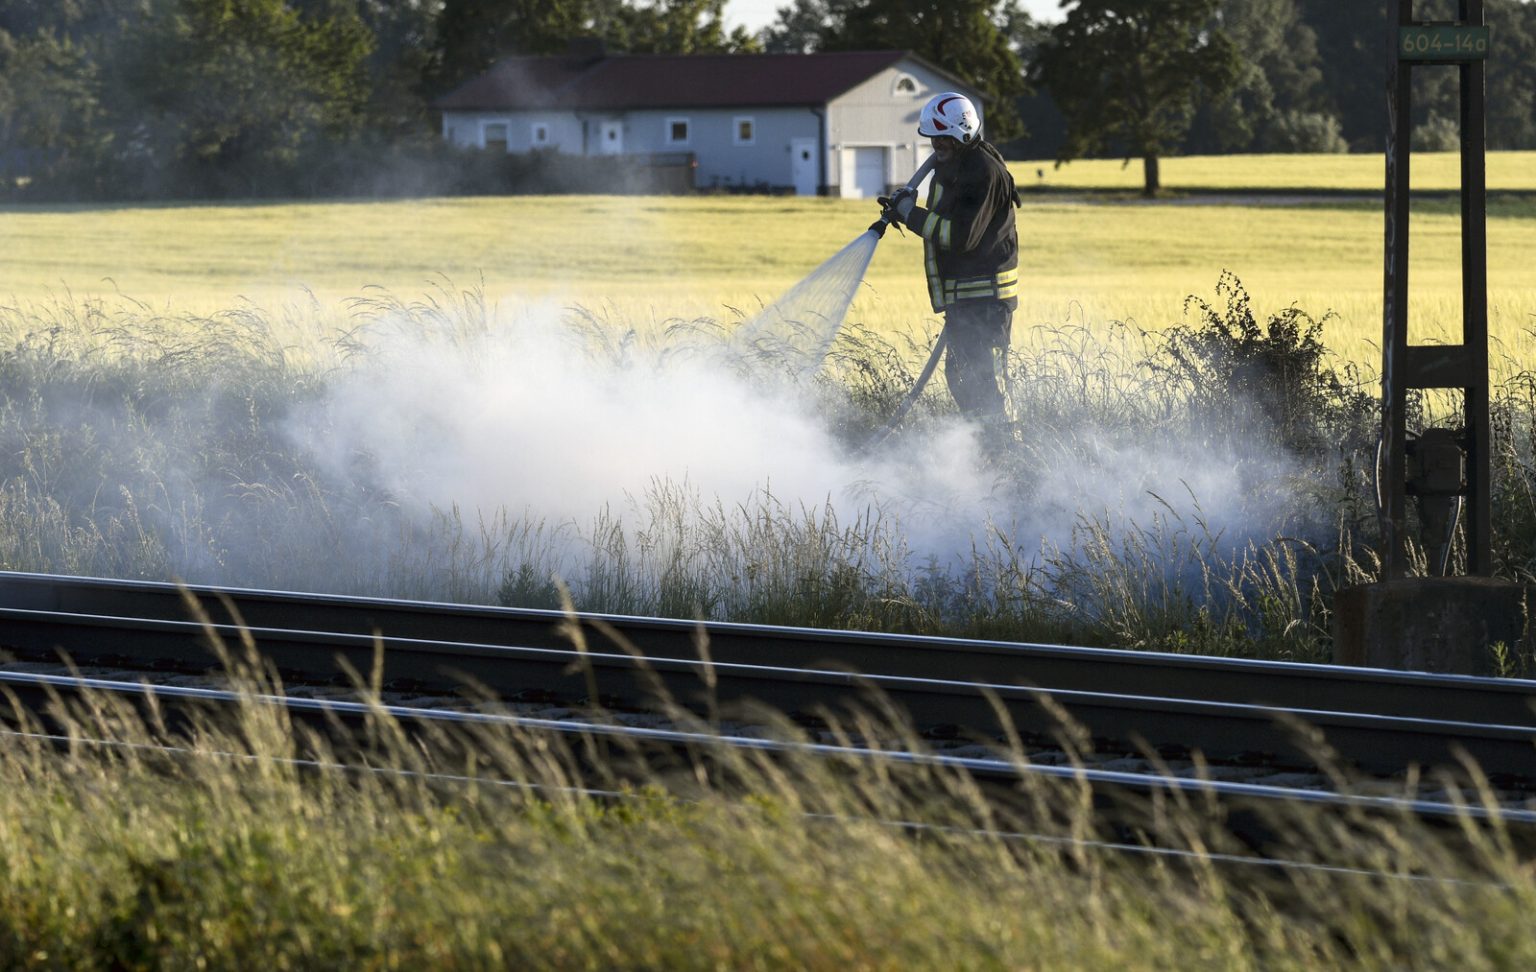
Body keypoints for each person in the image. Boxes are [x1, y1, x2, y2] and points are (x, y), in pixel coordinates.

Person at [879, 92, 1020, 435]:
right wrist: (908, 209)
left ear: (964, 132)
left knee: (986, 385)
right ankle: (985, 451)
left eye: (944, 137)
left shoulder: (982, 172)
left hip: (985, 302)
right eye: (933, 137)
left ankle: (1009, 453)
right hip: (966, 299)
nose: (937, 144)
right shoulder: (954, 167)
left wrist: (911, 214)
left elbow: (960, 237)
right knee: (962, 380)